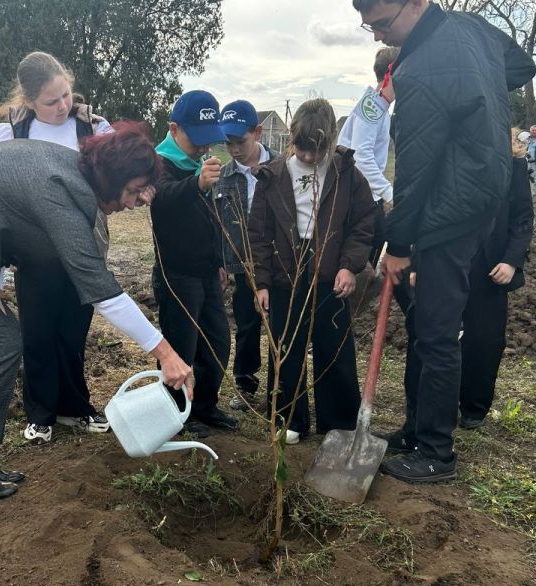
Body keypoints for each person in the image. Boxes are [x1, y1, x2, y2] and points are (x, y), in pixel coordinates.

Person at [0, 123, 192, 503]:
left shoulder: (69, 172)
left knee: (3, 340)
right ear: (110, 178)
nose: (130, 203)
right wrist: (167, 355)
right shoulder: (61, 189)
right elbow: (100, 289)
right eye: (131, 191)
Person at [352, 0, 535, 483]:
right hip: (481, 196)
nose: (376, 37)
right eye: (368, 28)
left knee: (435, 332)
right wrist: (478, 98)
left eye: (380, 24)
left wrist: (400, 245)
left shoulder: (419, 70)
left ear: (413, 4)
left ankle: (435, 451)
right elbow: (522, 64)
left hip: (447, 209)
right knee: (427, 325)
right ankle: (416, 430)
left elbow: (413, 171)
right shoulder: (471, 28)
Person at [0, 52, 113, 445]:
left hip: (82, 247)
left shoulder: (94, 129)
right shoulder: (9, 134)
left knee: (73, 332)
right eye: (51, 102)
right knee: (37, 333)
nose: (62, 107)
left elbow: (113, 181)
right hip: (33, 251)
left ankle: (76, 408)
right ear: (28, 101)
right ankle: (40, 414)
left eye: (66, 96)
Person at [248, 99, 375, 444]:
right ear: (292, 138)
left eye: (316, 152)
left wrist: (350, 266)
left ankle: (339, 423)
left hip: (331, 271)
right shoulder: (272, 176)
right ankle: (291, 417)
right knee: (286, 347)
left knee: (334, 347)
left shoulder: (346, 174)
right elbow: (258, 234)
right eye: (302, 150)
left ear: (331, 140)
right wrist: (261, 282)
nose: (308, 159)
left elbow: (364, 222)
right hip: (284, 272)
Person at [150, 90, 237, 438]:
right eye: (195, 140)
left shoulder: (200, 165)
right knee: (180, 348)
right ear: (173, 128)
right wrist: (197, 183)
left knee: (217, 341)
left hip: (206, 271)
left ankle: (203, 406)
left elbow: (212, 219)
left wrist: (218, 261)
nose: (203, 148)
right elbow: (163, 201)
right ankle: (174, 415)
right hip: (176, 274)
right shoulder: (158, 163)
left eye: (207, 141)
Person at [459, 128, 533, 428]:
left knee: (485, 339)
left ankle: (474, 408)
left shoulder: (513, 167)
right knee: (438, 337)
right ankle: (436, 401)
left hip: (491, 268)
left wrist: (511, 261)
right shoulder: (456, 156)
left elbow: (523, 217)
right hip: (452, 260)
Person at [214, 100, 275, 412]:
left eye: (241, 141)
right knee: (247, 324)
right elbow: (218, 224)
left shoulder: (281, 168)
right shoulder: (222, 178)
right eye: (229, 142)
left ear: (258, 132)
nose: (234, 149)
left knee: (280, 324)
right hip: (242, 264)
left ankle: (281, 388)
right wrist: (222, 262)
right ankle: (245, 382)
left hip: (278, 264)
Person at [337, 45, 401, 265]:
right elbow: (361, 158)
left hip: (365, 194)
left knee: (381, 238)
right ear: (391, 75)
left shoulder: (381, 107)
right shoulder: (371, 108)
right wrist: (389, 194)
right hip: (355, 196)